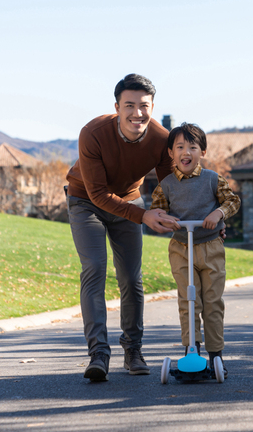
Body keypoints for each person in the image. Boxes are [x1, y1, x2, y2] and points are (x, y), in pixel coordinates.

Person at [65, 73, 181, 381]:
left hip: (130, 202)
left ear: (152, 107)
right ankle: (99, 354)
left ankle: (133, 350)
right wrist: (142, 215)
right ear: (117, 107)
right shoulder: (93, 133)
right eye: (129, 105)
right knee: (95, 269)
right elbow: (98, 193)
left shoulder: (161, 139)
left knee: (131, 277)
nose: (137, 113)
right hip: (85, 200)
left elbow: (171, 186)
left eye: (144, 106)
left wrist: (205, 221)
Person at [151, 122, 240, 377]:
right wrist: (166, 220)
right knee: (188, 301)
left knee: (212, 301)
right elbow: (158, 211)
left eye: (192, 146)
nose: (185, 151)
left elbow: (232, 200)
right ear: (171, 153)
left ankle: (216, 355)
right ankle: (193, 350)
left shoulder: (213, 179)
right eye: (180, 147)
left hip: (211, 246)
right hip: (181, 247)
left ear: (202, 152)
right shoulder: (166, 184)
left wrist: (218, 212)